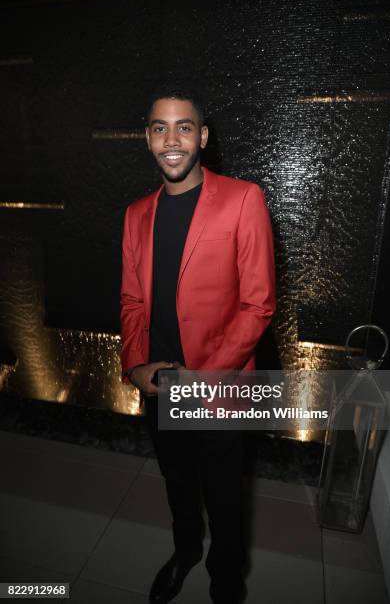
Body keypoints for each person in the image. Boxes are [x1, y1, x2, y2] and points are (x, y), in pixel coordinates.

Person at [120, 84, 276, 604]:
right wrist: (134, 366)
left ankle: (226, 572)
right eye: (159, 127)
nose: (172, 139)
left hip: (219, 389)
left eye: (183, 127)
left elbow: (259, 306)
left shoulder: (243, 198)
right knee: (178, 485)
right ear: (147, 138)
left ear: (202, 137)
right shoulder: (135, 214)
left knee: (226, 495)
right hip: (160, 387)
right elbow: (132, 302)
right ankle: (185, 550)